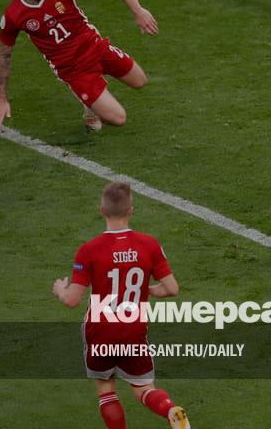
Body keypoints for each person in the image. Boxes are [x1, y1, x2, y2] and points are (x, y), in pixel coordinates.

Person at [53, 182, 189, 429]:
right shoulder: (149, 244)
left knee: (106, 390)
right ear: (131, 211)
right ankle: (171, 409)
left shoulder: (89, 250)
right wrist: (146, 289)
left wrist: (60, 289)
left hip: (100, 330)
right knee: (144, 389)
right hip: (133, 330)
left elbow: (72, 300)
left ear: (102, 211)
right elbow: (172, 289)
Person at [0, 0, 159, 131]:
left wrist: (138, 10)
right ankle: (90, 106)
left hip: (96, 47)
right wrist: (1, 99)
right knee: (119, 118)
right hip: (74, 70)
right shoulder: (13, 15)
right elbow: (4, 56)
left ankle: (93, 100)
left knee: (140, 81)